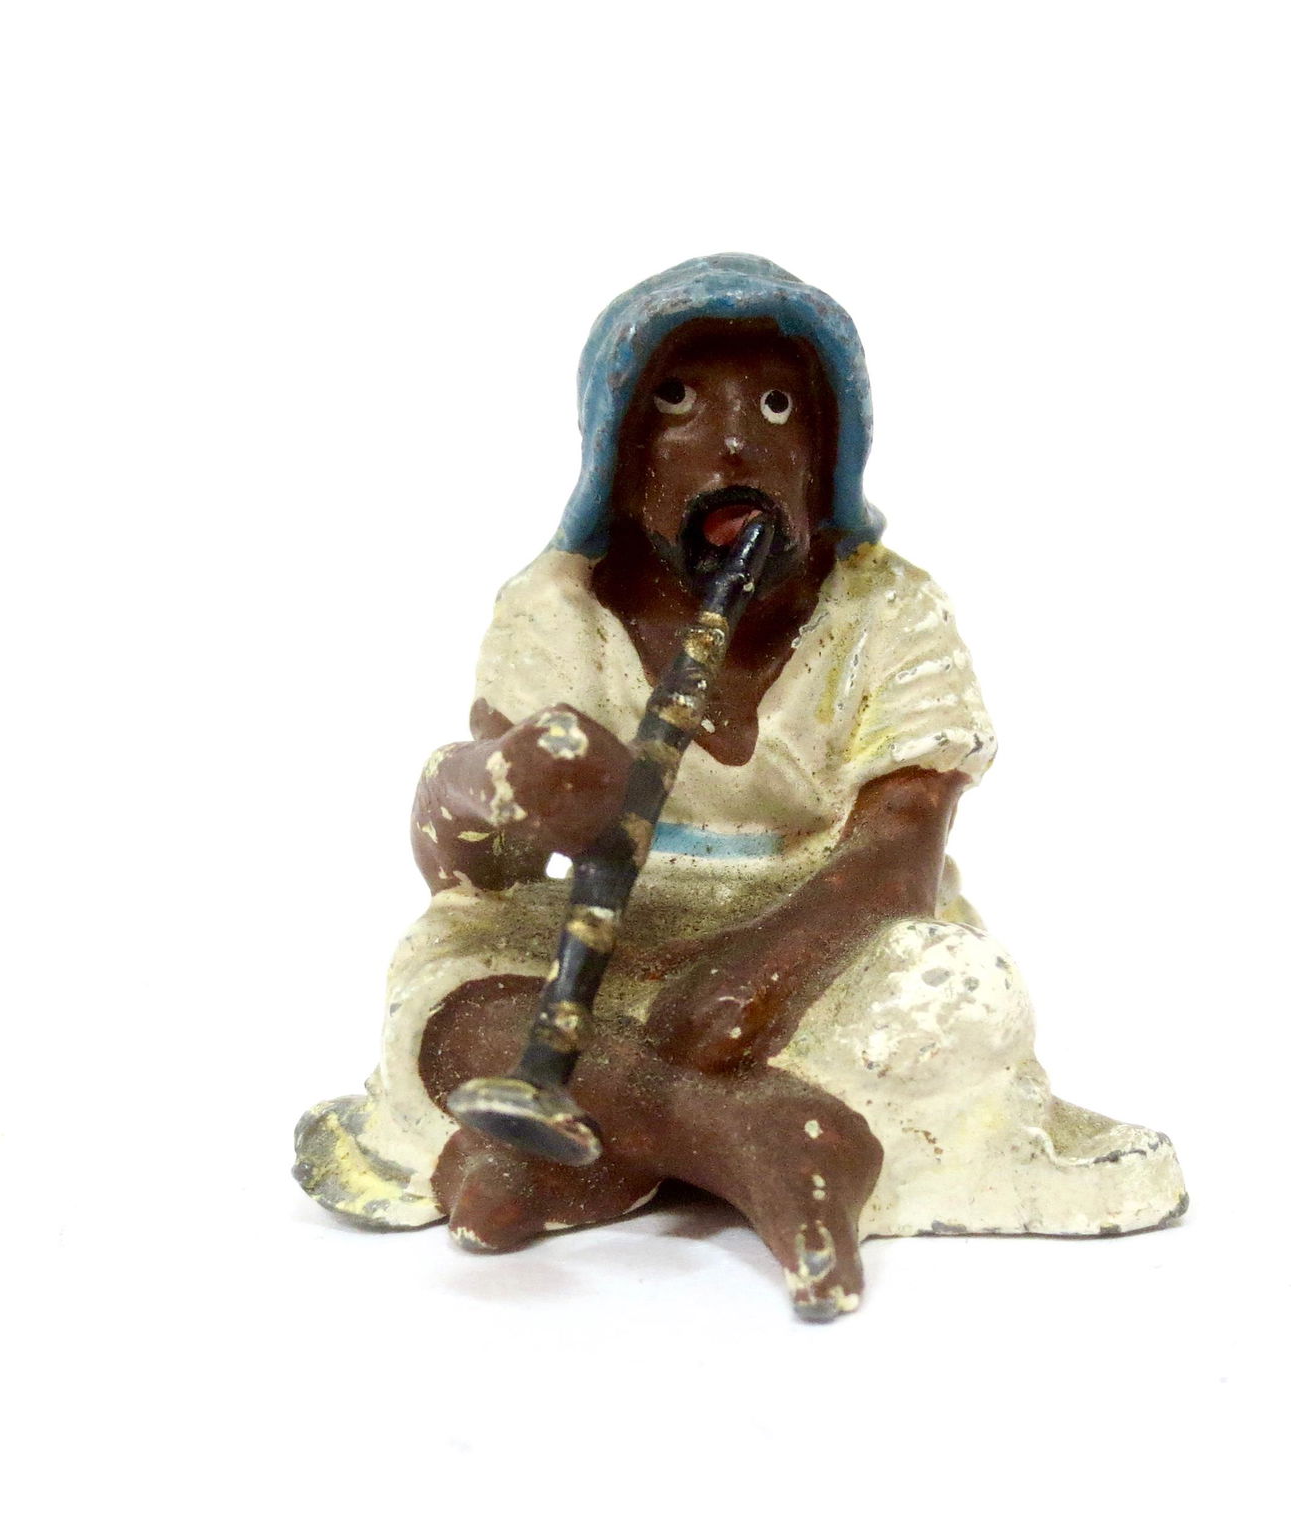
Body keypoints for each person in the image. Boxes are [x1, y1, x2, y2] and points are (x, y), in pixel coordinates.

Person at [294, 255, 1185, 1319]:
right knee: (447, 1006)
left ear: (828, 454)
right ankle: (754, 1137)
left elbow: (900, 846)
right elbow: (467, 865)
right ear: (618, 454)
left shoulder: (886, 607)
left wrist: (765, 968)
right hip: (601, 928)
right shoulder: (557, 607)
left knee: (956, 994)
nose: (732, 445)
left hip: (822, 924)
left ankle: (592, 1146)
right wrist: (505, 786)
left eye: (775, 408)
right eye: (677, 403)